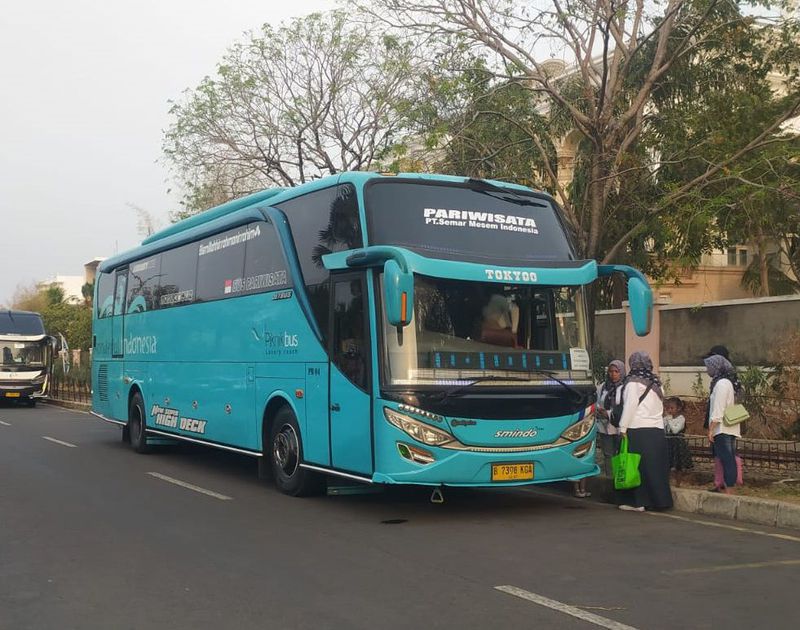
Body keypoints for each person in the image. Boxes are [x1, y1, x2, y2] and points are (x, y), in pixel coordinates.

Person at [617, 351, 673, 512]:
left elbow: (629, 407)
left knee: (637, 467)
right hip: (656, 430)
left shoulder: (632, 382)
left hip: (638, 429)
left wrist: (623, 428)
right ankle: (660, 501)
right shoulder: (656, 382)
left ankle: (638, 502)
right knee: (655, 468)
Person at [704, 353, 742, 494]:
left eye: (708, 367)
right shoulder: (726, 382)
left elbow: (718, 409)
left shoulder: (721, 384)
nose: (707, 370)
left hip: (722, 428)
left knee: (727, 459)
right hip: (728, 427)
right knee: (728, 458)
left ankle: (729, 490)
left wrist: (711, 429)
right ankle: (728, 488)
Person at [595, 360, 626, 476]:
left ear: (621, 372)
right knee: (608, 454)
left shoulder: (625, 387)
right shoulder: (603, 387)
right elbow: (598, 401)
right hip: (604, 426)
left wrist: (609, 413)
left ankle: (620, 478)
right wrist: (600, 410)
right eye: (611, 371)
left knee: (620, 453)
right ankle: (610, 479)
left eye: (616, 371)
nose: (613, 374)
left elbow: (625, 407)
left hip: (619, 427)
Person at [664, 396, 693, 485]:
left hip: (677, 443)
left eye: (672, 408)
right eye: (668, 408)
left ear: (678, 408)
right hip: (668, 442)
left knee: (678, 465)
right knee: (666, 463)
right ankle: (666, 482)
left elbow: (675, 430)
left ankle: (678, 483)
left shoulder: (681, 418)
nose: (669, 410)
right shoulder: (666, 418)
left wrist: (669, 420)